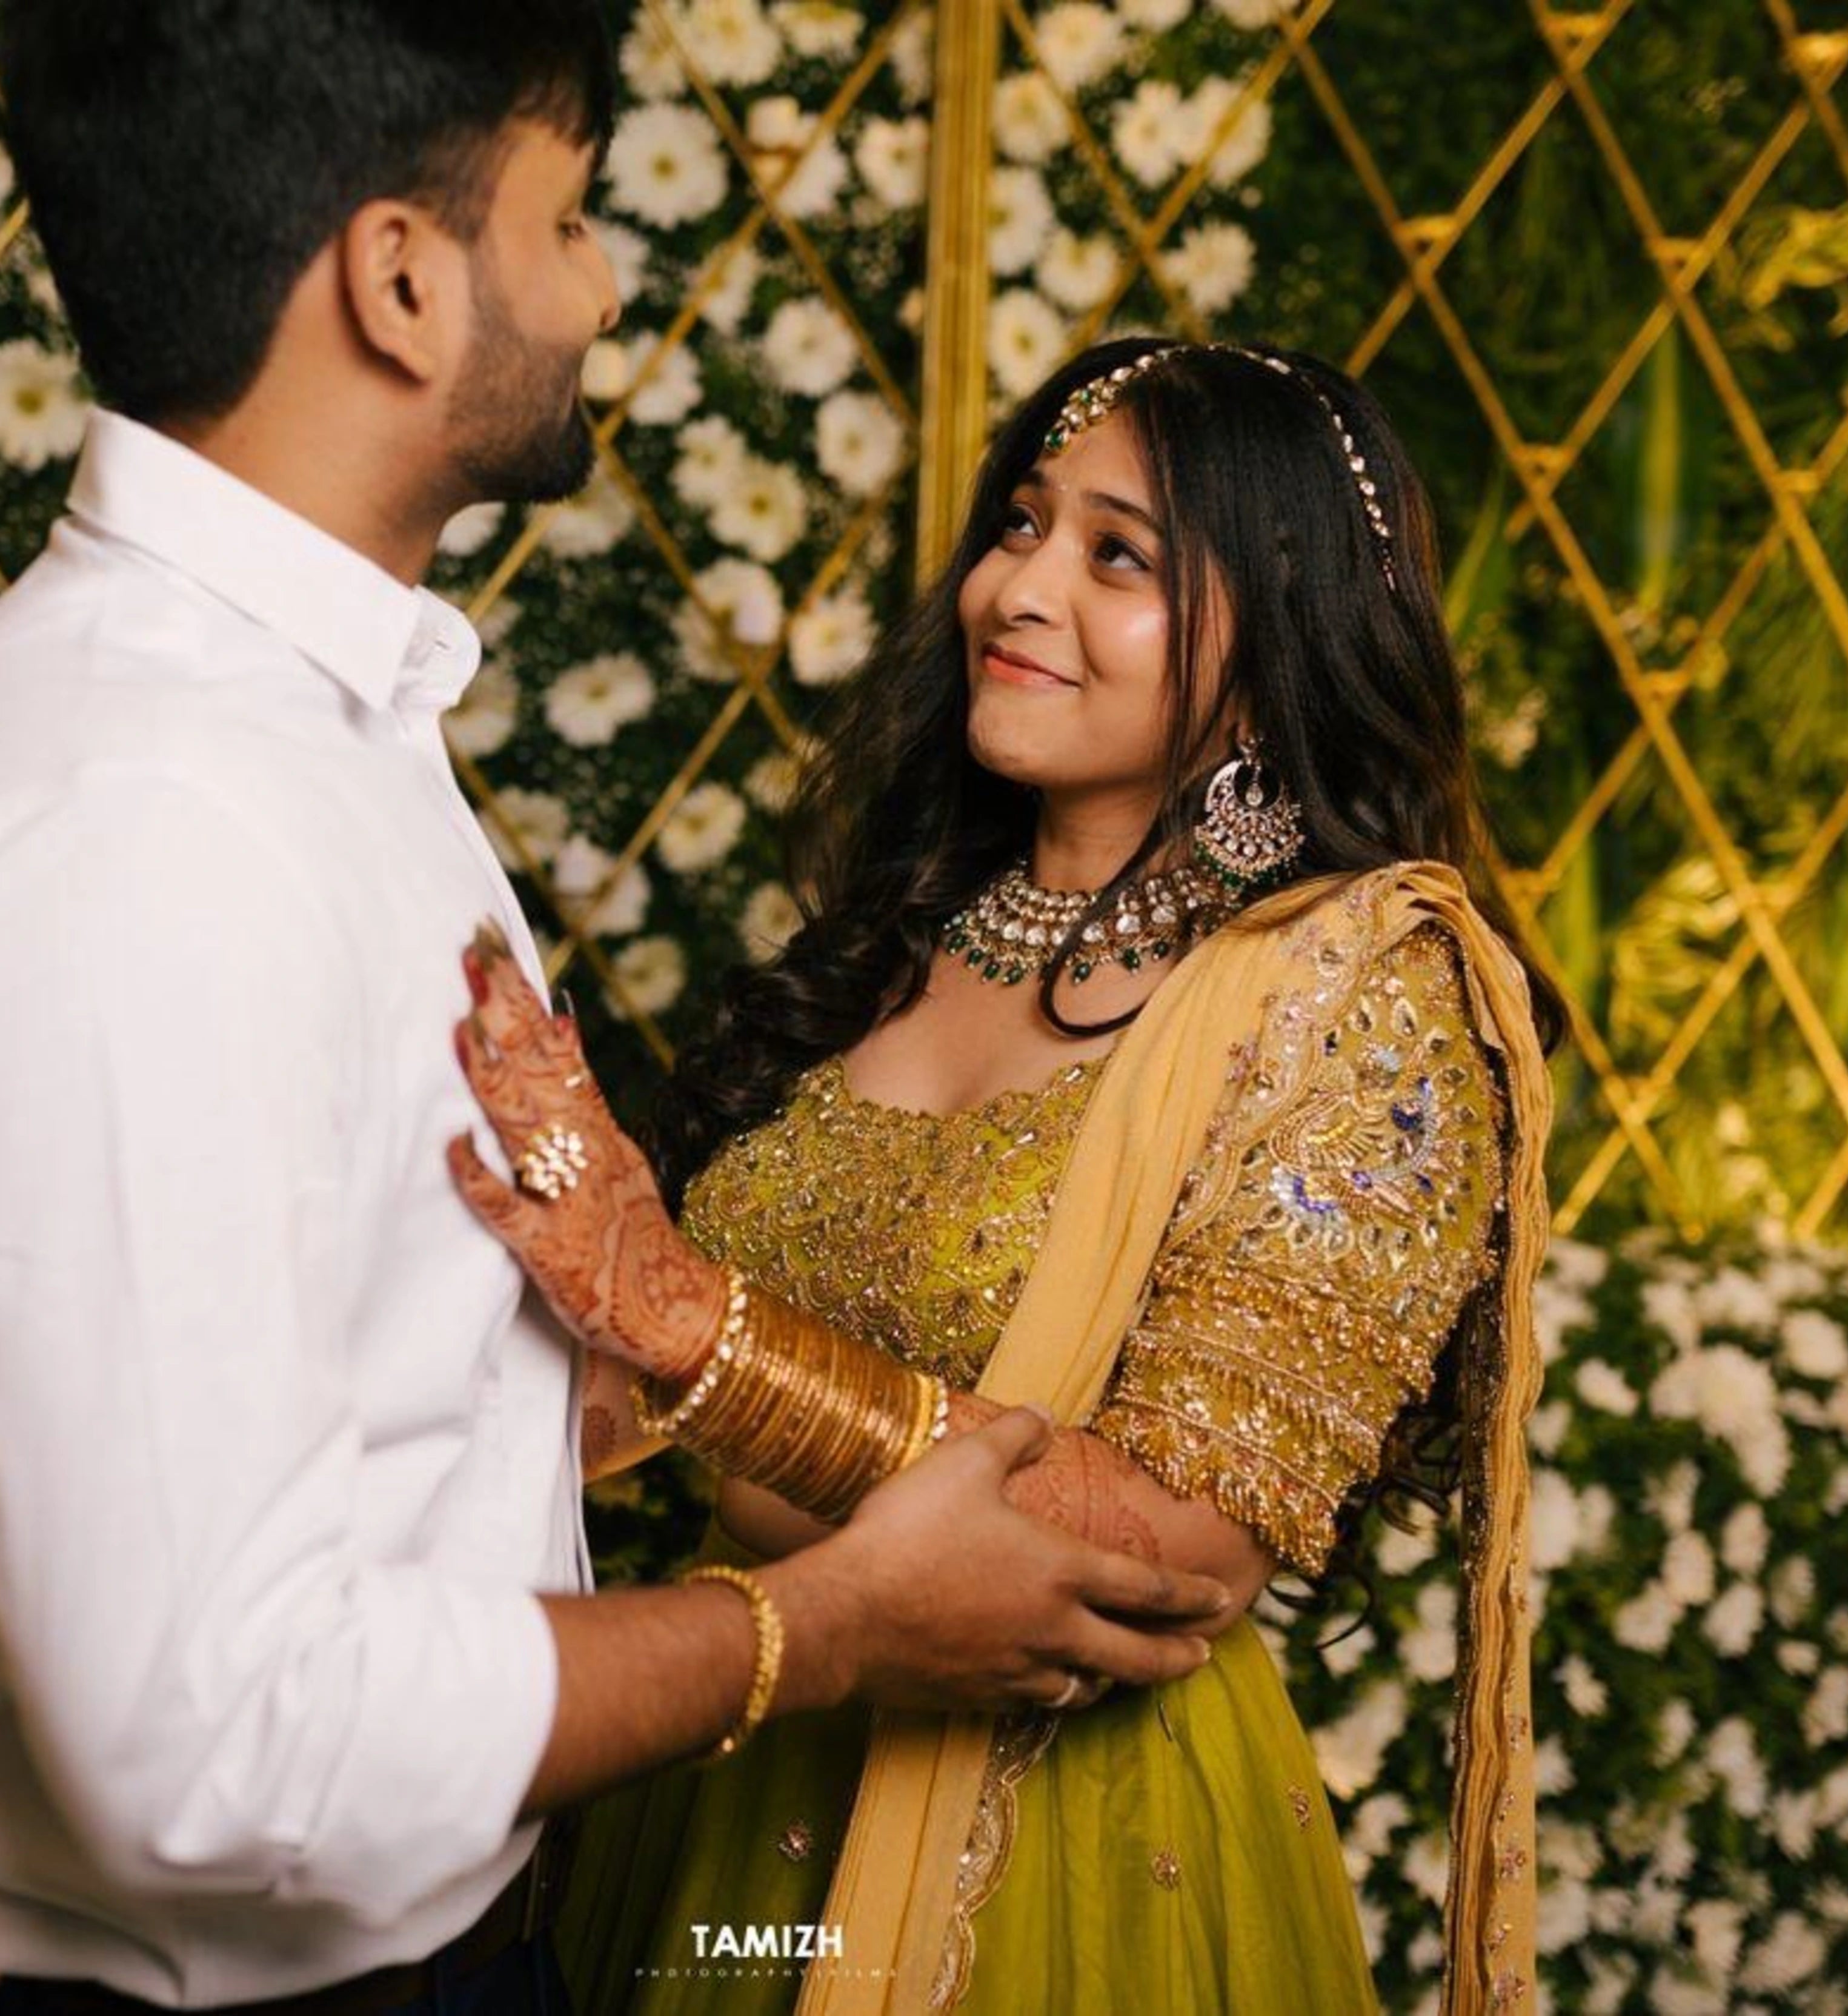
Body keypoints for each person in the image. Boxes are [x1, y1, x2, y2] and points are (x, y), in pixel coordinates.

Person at [0, 10, 1240, 2015]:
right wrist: (823, 1628)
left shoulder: (317, 727)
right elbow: (214, 1748)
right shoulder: (133, 826)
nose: (604, 282)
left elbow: (336, 1371)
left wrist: (624, 1354)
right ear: (401, 280)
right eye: (564, 217)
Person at [445, 337, 1562, 2014]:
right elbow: (660, 1378)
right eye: (1022, 524)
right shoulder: (906, 932)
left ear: (1285, 637)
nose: (1017, 588)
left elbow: (1180, 1548)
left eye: (1119, 558)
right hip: (726, 1759)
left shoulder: (1356, 989)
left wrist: (693, 1331)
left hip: (1052, 1856)